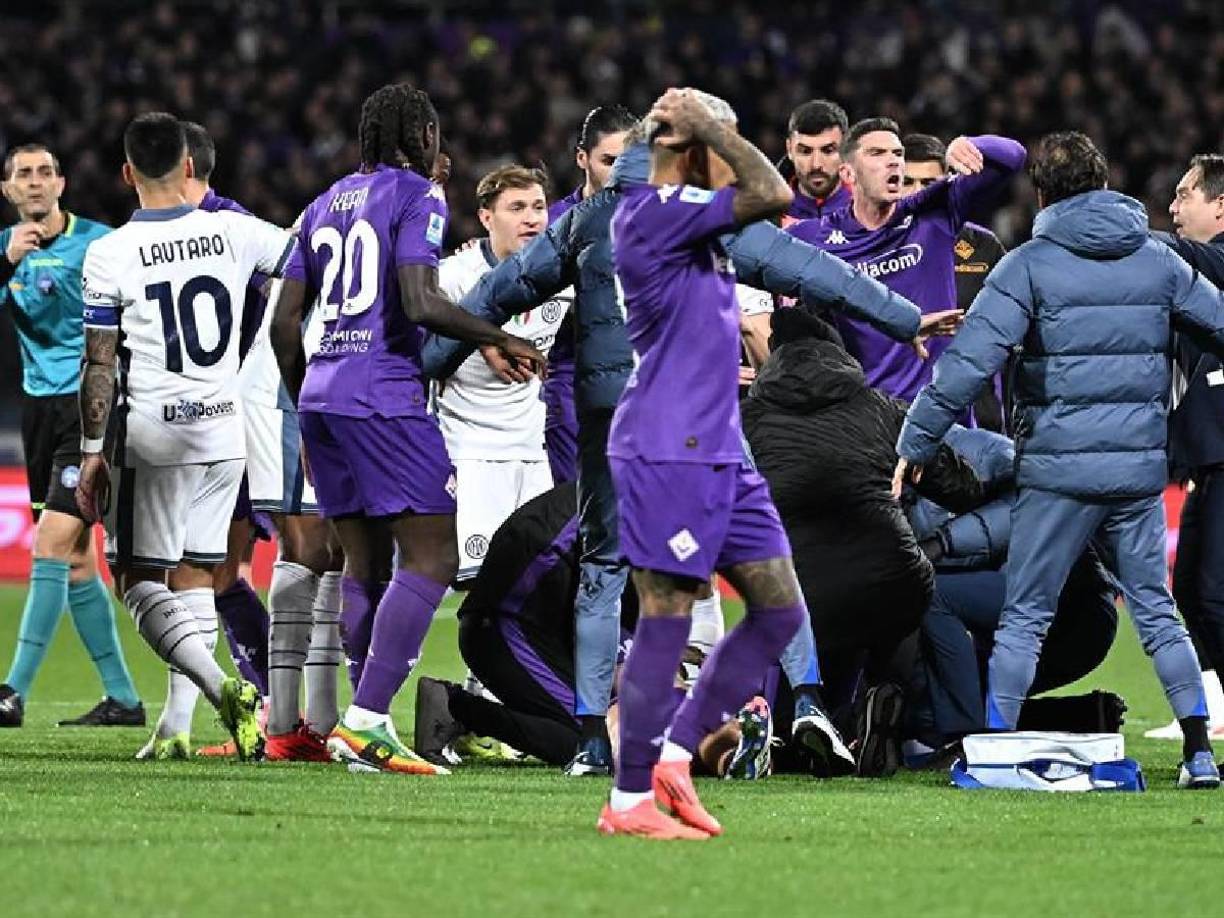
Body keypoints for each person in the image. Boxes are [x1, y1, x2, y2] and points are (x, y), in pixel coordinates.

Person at [421, 123, 928, 781]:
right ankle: (805, 702)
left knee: (605, 574)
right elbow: (811, 269)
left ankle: (593, 742)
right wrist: (902, 318)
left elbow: (502, 289)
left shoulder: (587, 222)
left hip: (618, 424)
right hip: (701, 417)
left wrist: (431, 359)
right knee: (766, 562)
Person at [894, 131, 1224, 789]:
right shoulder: (1157, 260)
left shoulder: (1027, 266)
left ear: (1041, 195)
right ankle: (1199, 754)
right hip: (1135, 472)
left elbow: (964, 368)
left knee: (1025, 616)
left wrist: (915, 443)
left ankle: (993, 753)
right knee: (1157, 615)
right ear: (1102, 184)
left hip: (1056, 473)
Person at [270, 83, 545, 776]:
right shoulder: (418, 196)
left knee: (364, 565)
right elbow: (421, 302)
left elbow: (283, 323)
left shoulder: (321, 203)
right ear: (423, 134)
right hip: (383, 393)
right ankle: (367, 720)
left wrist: (309, 402)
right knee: (432, 558)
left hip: (323, 398)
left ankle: (366, 723)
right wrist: (496, 335)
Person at [599, 85, 810, 841]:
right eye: (727, 138)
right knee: (667, 616)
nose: (736, 151)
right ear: (689, 147)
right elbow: (776, 191)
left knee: (780, 609)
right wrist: (709, 128)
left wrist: (711, 130)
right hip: (667, 449)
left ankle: (677, 754)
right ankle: (628, 801)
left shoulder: (693, 221)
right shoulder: (652, 213)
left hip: (720, 449)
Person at [75, 113, 291, 761]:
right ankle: (174, 726)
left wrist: (92, 452)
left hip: (156, 435)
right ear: (190, 165)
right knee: (197, 573)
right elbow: (311, 257)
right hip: (225, 432)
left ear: (126, 173)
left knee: (136, 580)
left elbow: (99, 363)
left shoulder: (111, 252)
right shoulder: (235, 231)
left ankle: (225, 690)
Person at [741, 307, 983, 776]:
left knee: (797, 619)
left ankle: (809, 720)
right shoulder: (883, 409)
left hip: (800, 599)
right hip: (890, 584)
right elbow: (960, 486)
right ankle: (888, 703)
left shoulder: (745, 421)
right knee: (905, 595)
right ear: (839, 355)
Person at [180, 121, 342, 762]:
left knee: (248, 563)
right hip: (232, 407)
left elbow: (296, 291)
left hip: (259, 404)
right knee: (220, 570)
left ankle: (294, 716)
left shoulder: (235, 227)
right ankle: (283, 713)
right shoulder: (177, 232)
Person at [0, 143, 143, 729]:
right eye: (23, 175)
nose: (35, 182)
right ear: (8, 189)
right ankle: (124, 699)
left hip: (89, 411)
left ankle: (11, 691)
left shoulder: (101, 245)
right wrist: (6, 261)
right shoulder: (4, 249)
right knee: (79, 561)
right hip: (37, 414)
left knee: (50, 546)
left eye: (44, 173)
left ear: (61, 183)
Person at [904, 425, 1122, 764]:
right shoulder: (880, 480)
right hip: (1035, 615)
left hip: (1072, 608)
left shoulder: (983, 451)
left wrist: (942, 543)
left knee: (933, 596)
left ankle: (963, 739)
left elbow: (1029, 502)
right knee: (924, 705)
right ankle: (1081, 717)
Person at [788, 117, 1026, 403]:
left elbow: (1013, 157)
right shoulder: (814, 236)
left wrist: (968, 144)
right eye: (877, 153)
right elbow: (752, 256)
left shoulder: (933, 214)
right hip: (866, 413)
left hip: (940, 413)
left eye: (897, 154)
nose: (892, 161)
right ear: (847, 173)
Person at [437, 165, 568, 584]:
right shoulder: (452, 278)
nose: (531, 218)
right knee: (477, 585)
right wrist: (479, 338)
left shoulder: (562, 277)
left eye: (538, 207)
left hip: (533, 454)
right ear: (486, 217)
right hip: (472, 453)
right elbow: (419, 361)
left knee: (537, 585)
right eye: (517, 208)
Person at [1146, 154, 1224, 741]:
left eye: (1184, 194)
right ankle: (1214, 706)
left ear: (1220, 206)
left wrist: (1105, 222)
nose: (1173, 208)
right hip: (1209, 461)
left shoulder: (1214, 260)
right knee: (1192, 593)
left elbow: (1175, 255)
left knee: (1213, 593)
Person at [545, 105, 637, 485]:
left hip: (646, 383)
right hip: (573, 385)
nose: (620, 174)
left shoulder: (657, 217)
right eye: (609, 161)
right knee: (577, 504)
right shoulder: (554, 224)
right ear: (582, 158)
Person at [903, 132, 1008, 431]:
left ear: (948, 183)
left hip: (974, 413)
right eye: (907, 182)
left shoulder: (983, 247)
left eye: (928, 183)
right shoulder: (873, 245)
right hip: (897, 409)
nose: (917, 193)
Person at [780, 99, 852, 224]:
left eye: (828, 151)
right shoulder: (765, 213)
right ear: (789, 149)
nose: (816, 165)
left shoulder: (874, 207)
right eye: (805, 151)